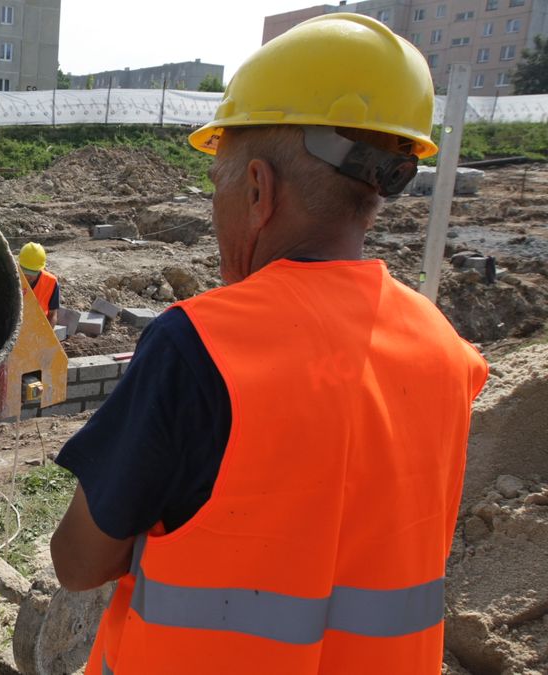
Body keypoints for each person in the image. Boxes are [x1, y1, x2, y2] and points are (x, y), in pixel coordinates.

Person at [49, 14, 489, 674]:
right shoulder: (449, 355)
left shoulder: (198, 348)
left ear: (257, 189)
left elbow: (78, 561)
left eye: (217, 186)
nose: (214, 207)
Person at [19, 242, 59, 326]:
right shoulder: (11, 278)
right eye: (25, 271)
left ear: (41, 268)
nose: (28, 276)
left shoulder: (51, 282)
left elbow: (52, 314)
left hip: (38, 329)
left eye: (33, 272)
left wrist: (45, 336)